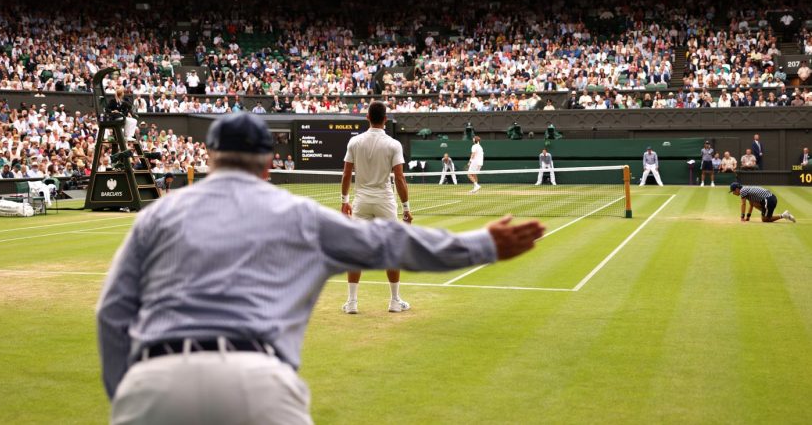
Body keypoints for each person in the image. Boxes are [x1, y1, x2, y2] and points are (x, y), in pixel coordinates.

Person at [97, 112, 546, 423]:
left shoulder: (156, 216)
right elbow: (391, 242)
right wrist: (481, 245)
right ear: (270, 164)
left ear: (211, 158)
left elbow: (113, 314)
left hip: (151, 386)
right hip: (257, 383)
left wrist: (131, 393)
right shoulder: (298, 216)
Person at [340, 102, 412, 314]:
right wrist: (406, 207)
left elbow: (346, 175)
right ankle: (394, 301)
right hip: (385, 202)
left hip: (361, 202)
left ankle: (352, 303)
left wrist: (345, 201)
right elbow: (399, 178)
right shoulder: (393, 144)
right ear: (386, 119)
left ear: (367, 118)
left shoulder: (355, 142)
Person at [729, 182, 795, 223]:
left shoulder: (742, 191)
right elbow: (751, 204)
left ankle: (784, 215)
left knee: (765, 220)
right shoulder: (746, 190)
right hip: (770, 199)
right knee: (753, 204)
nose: (733, 193)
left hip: (769, 200)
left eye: (733, 191)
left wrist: (742, 217)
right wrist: (748, 217)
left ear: (737, 189)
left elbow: (743, 204)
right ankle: (767, 213)